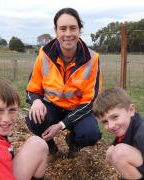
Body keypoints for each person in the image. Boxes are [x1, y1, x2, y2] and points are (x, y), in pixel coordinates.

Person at [25, 7, 102, 155]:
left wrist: (61, 125)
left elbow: (90, 102)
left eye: (73, 28)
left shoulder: (92, 59)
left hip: (77, 109)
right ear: (56, 31)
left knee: (90, 134)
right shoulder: (44, 55)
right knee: (34, 119)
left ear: (80, 30)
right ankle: (50, 148)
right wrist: (36, 101)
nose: (68, 34)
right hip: (52, 107)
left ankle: (73, 142)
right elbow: (32, 89)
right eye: (63, 28)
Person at [93, 87, 144, 180]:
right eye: (105, 122)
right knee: (110, 153)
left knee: (119, 153)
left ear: (131, 110)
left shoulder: (141, 135)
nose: (111, 125)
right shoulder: (127, 128)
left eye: (115, 117)